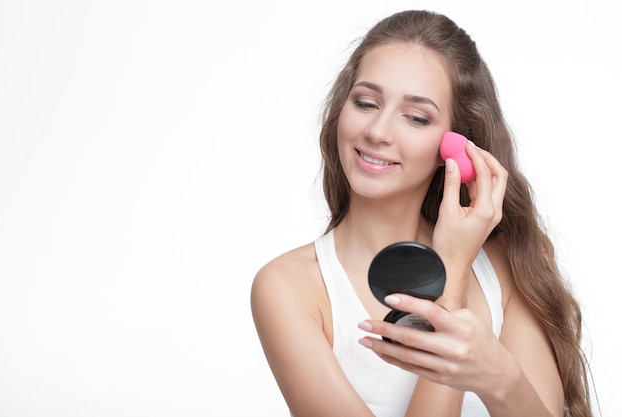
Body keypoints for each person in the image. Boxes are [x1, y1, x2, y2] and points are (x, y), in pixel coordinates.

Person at [251, 9, 594, 417]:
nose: (378, 131)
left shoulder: (505, 270)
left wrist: (497, 373)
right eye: (365, 102)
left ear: (456, 145)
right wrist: (450, 273)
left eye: (416, 117)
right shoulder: (291, 287)